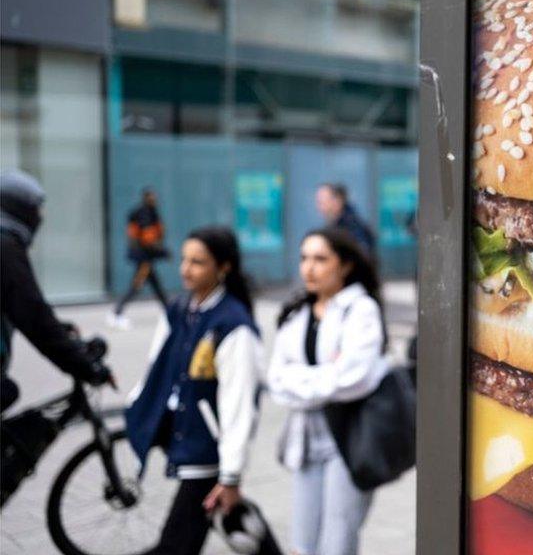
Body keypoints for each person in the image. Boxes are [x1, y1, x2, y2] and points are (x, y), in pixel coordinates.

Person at [124, 226, 280, 555]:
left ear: (223, 268)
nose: (185, 269)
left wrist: (231, 474)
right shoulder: (181, 310)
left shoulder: (233, 326)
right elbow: (158, 367)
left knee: (176, 543)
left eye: (198, 262)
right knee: (208, 525)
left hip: (209, 450)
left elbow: (239, 408)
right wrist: (138, 405)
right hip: (186, 437)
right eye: (184, 260)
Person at [267, 228, 390, 555]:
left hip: (350, 437)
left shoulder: (359, 309)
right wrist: (327, 376)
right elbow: (276, 382)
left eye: (320, 259)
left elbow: (354, 380)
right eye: (304, 258)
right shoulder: (296, 312)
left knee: (337, 541)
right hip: (306, 435)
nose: (309, 268)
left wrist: (301, 378)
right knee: (302, 543)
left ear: (345, 265)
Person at [1, 169, 114, 412]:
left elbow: (19, 306)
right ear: (17, 209)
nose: (41, 216)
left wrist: (60, 330)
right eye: (37, 209)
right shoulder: (4, 248)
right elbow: (32, 315)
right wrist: (86, 367)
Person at [108, 188, 170, 330]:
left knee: (156, 286)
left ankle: (170, 313)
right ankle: (116, 313)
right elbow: (148, 239)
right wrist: (162, 252)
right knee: (136, 286)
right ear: (147, 198)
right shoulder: (145, 215)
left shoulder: (148, 213)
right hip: (144, 259)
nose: (155, 199)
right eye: (152, 196)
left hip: (145, 258)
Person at [314, 184, 376, 257]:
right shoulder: (335, 226)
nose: (318, 206)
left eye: (322, 201)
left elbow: (362, 256)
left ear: (338, 201)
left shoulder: (352, 227)